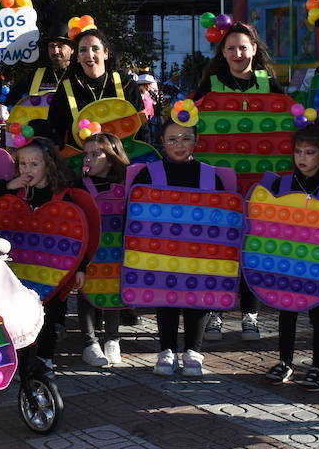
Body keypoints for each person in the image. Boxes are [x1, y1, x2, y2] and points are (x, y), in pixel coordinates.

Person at [193, 20, 273, 342]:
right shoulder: (210, 85)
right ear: (222, 53)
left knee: (250, 249)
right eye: (231, 48)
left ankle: (250, 314)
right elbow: (189, 120)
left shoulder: (270, 84)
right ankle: (215, 310)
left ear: (254, 48)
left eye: (243, 47)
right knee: (219, 247)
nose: (238, 53)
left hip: (257, 184)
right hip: (219, 184)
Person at [131, 119, 224, 377]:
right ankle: (167, 350)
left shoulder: (209, 174)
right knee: (166, 298)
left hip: (200, 253)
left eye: (185, 138)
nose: (179, 145)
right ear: (162, 142)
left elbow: (223, 215)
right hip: (162, 253)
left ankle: (193, 351)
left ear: (196, 140)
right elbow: (136, 213)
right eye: (172, 139)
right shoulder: (149, 173)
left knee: (197, 299)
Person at [0, 137, 85, 372]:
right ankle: (21, 358)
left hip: (56, 266)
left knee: (49, 311)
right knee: (20, 311)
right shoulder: (15, 189)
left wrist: (82, 267)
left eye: (34, 164)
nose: (27, 170)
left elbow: (82, 232)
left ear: (49, 164)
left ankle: (45, 358)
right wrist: (11, 185)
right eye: (23, 164)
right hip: (21, 265)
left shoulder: (66, 193)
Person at [263, 122, 319, 391]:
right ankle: (284, 361)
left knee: (318, 313)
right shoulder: (281, 183)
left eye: (309, 152)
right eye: (298, 151)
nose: (302, 158)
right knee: (286, 311)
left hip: (318, 265)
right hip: (286, 261)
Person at [76, 132, 130, 367]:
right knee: (86, 293)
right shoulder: (79, 186)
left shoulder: (126, 186)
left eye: (95, 154)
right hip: (88, 252)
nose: (88, 159)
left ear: (111, 158)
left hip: (117, 252)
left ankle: (112, 339)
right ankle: (89, 343)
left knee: (112, 292)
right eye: (86, 154)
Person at [46, 29, 146, 150]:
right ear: (77, 57)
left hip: (125, 163)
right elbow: (55, 136)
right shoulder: (66, 89)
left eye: (95, 48)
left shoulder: (127, 84)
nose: (90, 54)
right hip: (82, 164)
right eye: (83, 50)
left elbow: (143, 131)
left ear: (106, 53)